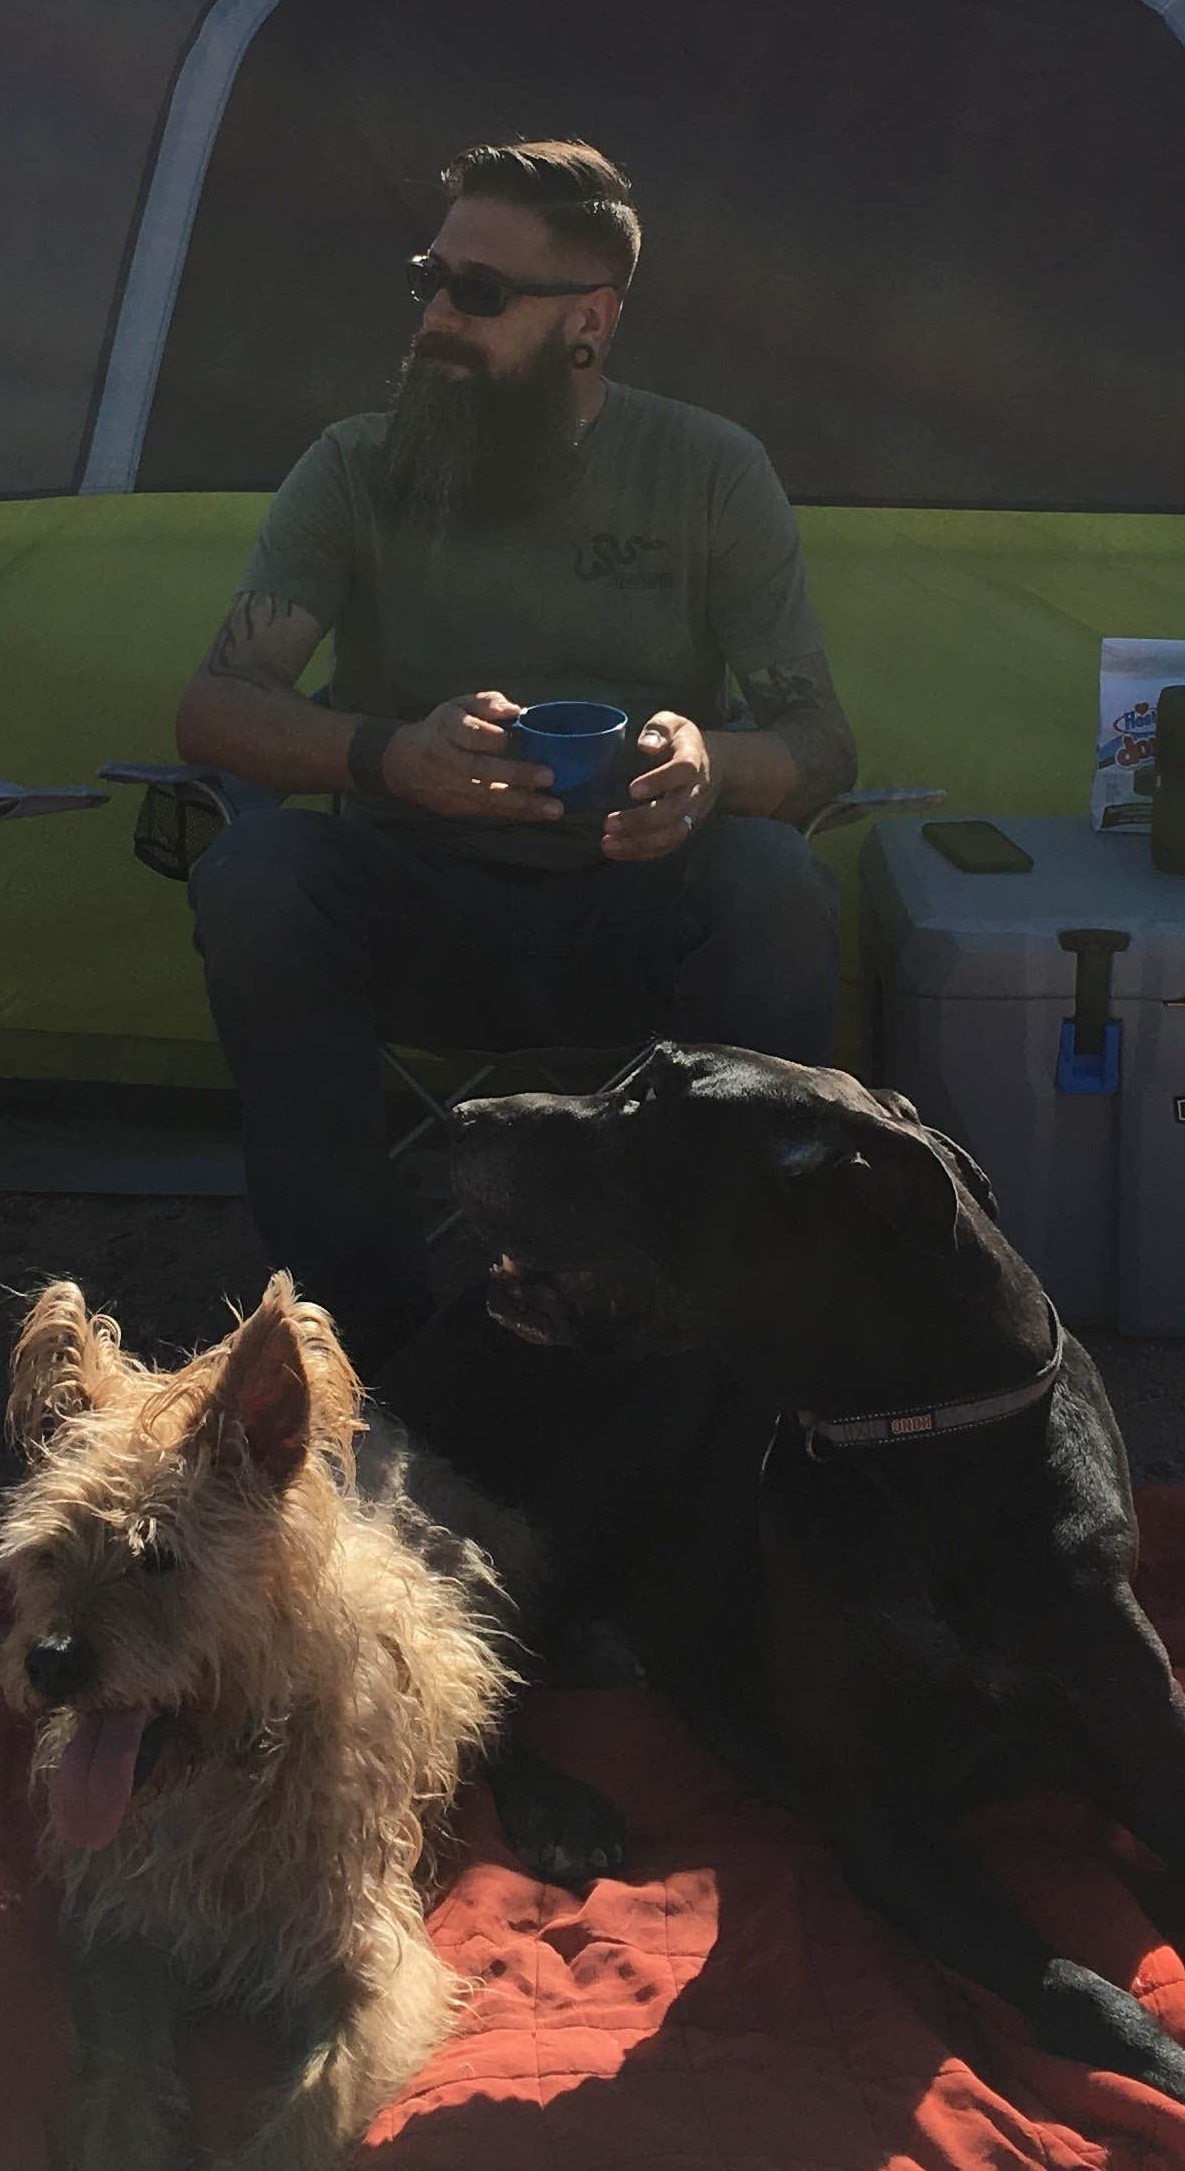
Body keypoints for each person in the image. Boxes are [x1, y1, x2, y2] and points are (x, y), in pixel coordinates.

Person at [176, 136, 857, 1355]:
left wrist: (705, 765)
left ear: (588, 322)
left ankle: (710, 1319)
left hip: (634, 910)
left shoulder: (708, 471)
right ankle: (362, 1341)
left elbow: (822, 743)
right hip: (416, 902)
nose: (436, 314)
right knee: (256, 875)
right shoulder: (356, 464)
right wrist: (391, 755)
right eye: (428, 279)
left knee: (780, 886)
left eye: (478, 293)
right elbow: (216, 711)